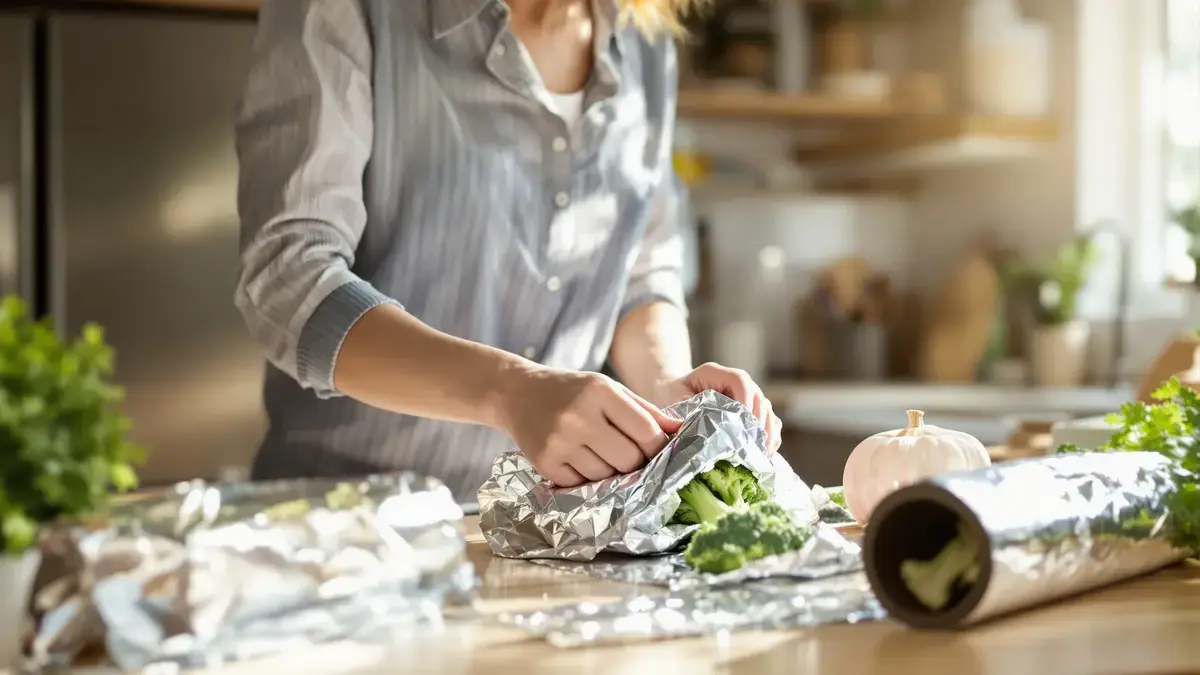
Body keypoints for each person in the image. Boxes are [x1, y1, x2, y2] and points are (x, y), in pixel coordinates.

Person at [232, 0, 783, 503]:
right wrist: (508, 390)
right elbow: (290, 280)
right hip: (343, 526)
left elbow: (643, 270)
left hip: (538, 530)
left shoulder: (643, 38)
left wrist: (668, 389)